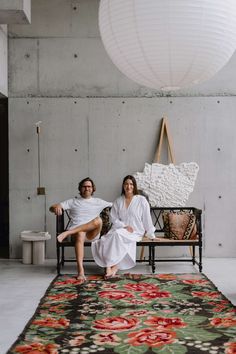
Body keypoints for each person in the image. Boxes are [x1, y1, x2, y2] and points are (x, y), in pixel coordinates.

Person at [91, 175, 155, 279]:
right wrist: (124, 226)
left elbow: (147, 218)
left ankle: (110, 266)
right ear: (123, 186)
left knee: (118, 236)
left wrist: (150, 232)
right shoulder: (118, 201)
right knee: (107, 238)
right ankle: (112, 267)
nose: (128, 186)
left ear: (134, 186)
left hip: (135, 231)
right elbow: (113, 218)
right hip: (119, 228)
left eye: (131, 184)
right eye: (126, 184)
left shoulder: (141, 200)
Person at [49, 177, 112, 281]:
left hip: (92, 234)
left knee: (98, 221)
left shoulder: (98, 201)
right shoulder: (73, 201)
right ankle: (81, 271)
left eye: (89, 186)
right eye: (84, 186)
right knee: (80, 233)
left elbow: (116, 205)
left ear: (93, 189)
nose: (87, 188)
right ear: (80, 188)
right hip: (77, 235)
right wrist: (55, 208)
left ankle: (67, 232)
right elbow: (52, 207)